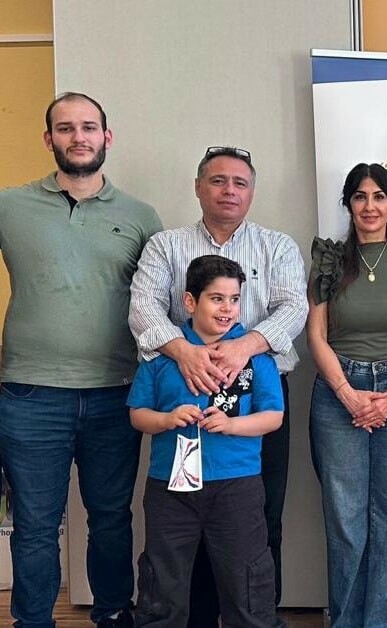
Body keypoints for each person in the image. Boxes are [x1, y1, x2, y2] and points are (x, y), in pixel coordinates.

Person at [0, 92, 162, 628]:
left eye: (89, 127)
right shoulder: (9, 206)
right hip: (29, 393)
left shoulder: (141, 216)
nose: (78, 137)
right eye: (66, 128)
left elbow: (159, 305)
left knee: (112, 519)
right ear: (48, 138)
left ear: (106, 137)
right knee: (35, 525)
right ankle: (32, 622)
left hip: (116, 392)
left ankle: (113, 614)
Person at [128, 146, 307, 624]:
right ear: (198, 187)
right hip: (179, 383)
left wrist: (244, 347)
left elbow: (294, 308)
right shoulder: (165, 246)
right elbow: (143, 307)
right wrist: (183, 351)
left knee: (257, 521)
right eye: (218, 180)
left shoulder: (277, 246)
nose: (229, 190)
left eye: (240, 182)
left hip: (254, 398)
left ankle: (254, 616)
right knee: (180, 537)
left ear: (252, 192)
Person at [128, 255, 285, 628]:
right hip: (170, 487)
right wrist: (167, 419)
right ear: (189, 301)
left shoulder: (256, 359)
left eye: (234, 299)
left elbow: (273, 417)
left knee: (247, 580)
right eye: (216, 298)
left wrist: (231, 425)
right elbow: (137, 415)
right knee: (163, 579)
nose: (227, 308)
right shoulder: (161, 357)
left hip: (237, 485)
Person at [306, 163, 387, 627]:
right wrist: (347, 393)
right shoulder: (329, 259)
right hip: (338, 392)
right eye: (360, 196)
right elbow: (315, 335)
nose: (370, 206)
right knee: (345, 519)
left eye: (379, 196)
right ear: (348, 204)